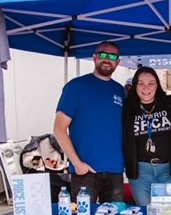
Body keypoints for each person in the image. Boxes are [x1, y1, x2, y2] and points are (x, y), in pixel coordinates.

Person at [53, 41, 125, 203]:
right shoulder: (75, 87)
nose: (107, 59)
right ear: (94, 58)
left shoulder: (119, 90)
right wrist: (77, 163)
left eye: (112, 56)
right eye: (103, 54)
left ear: (118, 62)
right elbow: (59, 129)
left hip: (115, 170)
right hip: (84, 171)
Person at [123, 66, 171, 206]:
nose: (146, 87)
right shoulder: (128, 108)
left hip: (168, 171)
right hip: (140, 173)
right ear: (135, 86)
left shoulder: (170, 104)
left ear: (157, 85)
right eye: (141, 83)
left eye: (151, 83)